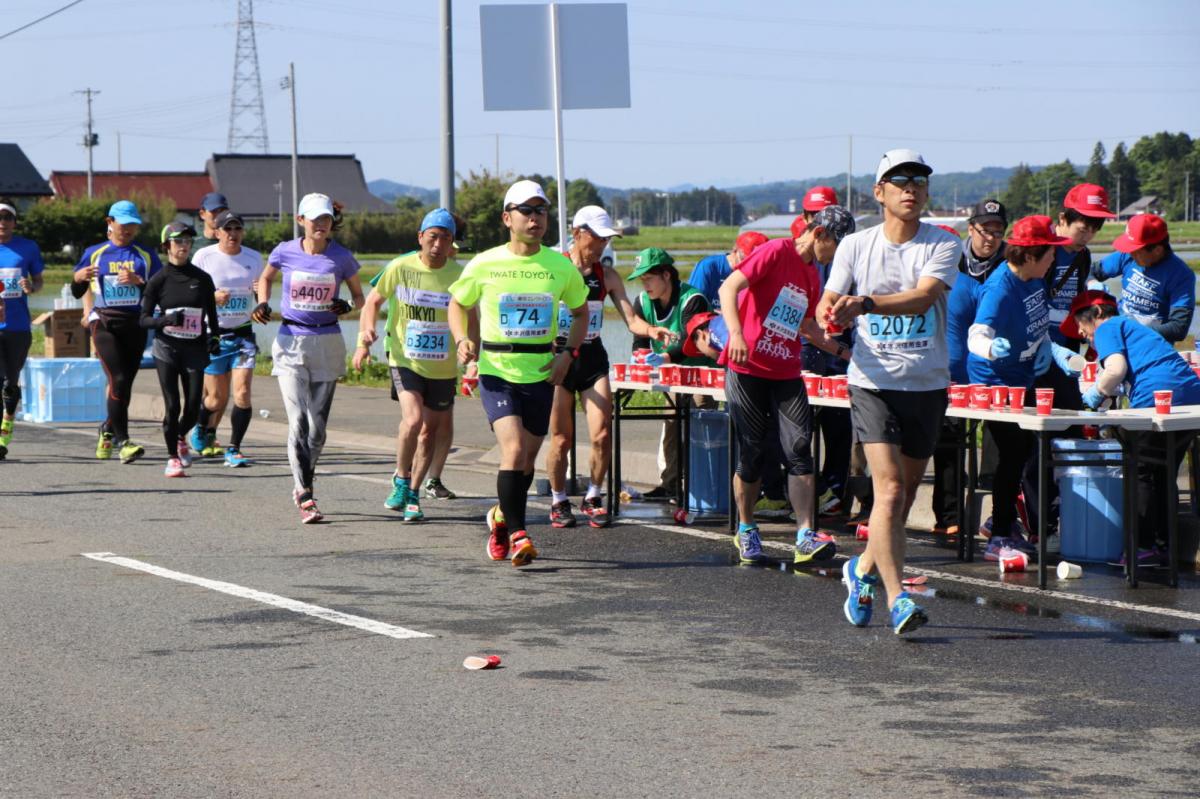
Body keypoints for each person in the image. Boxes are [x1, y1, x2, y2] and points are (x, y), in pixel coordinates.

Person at [818, 149, 961, 635]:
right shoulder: (855, 246)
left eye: (919, 180)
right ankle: (898, 598)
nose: (911, 188)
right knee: (891, 488)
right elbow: (829, 299)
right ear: (878, 193)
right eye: (899, 181)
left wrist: (865, 303)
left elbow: (924, 295)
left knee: (896, 505)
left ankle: (859, 571)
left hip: (925, 383)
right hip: (872, 382)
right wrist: (830, 312)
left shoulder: (943, 242)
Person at [448, 179, 589, 567]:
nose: (535, 218)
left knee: (525, 462)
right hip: (497, 370)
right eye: (526, 211)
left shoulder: (559, 266)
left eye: (540, 210)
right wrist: (463, 340)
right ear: (507, 218)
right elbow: (457, 304)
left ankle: (499, 517)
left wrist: (569, 354)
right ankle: (518, 533)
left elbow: (581, 313)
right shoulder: (486, 263)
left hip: (542, 373)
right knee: (511, 451)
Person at [719, 205, 855, 567]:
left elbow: (807, 327)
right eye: (838, 246)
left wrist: (846, 352)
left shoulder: (813, 274)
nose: (839, 255)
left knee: (799, 448)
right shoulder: (776, 251)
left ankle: (805, 536)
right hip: (747, 367)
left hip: (785, 372)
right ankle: (746, 528)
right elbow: (728, 287)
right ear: (820, 234)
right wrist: (735, 333)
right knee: (753, 452)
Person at [546, 205, 673, 529]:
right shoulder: (554, 268)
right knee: (561, 438)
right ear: (577, 233)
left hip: (591, 357)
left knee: (602, 433)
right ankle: (559, 499)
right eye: (598, 238)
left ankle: (593, 495)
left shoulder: (607, 275)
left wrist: (652, 330)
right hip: (559, 357)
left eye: (607, 239)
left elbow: (631, 320)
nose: (603, 245)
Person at [966, 216, 1076, 557]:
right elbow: (976, 335)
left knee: (1026, 449)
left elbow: (1037, 321)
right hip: (994, 382)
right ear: (1030, 254)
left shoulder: (1035, 279)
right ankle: (999, 533)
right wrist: (990, 348)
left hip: (1023, 376)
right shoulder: (1001, 288)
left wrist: (1046, 346)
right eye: (1049, 254)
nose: (1054, 260)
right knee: (1013, 451)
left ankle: (1004, 521)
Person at [1068, 290, 1200, 566]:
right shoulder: (1135, 327)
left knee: (1138, 468)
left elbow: (1115, 369)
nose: (1080, 331)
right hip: (1191, 396)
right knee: (1164, 470)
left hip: (1157, 397)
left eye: (1081, 321)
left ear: (1098, 314)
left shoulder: (1108, 327)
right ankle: (1165, 544)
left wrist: (1095, 394)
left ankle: (1141, 546)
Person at [354, 208, 467, 522]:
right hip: (405, 358)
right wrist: (365, 337)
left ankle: (415, 492)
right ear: (420, 238)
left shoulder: (459, 275)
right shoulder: (400, 267)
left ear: (452, 243)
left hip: (443, 366)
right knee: (414, 419)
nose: (437, 244)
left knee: (429, 432)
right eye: (432, 237)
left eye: (445, 238)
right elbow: (373, 302)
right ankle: (401, 479)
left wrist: (472, 351)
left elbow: (472, 314)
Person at [258, 193, 364, 523]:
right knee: (298, 422)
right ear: (300, 220)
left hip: (327, 342)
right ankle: (305, 493)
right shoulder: (284, 251)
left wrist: (348, 305)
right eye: (315, 219)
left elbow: (361, 297)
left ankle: (306, 473)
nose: (321, 224)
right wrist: (262, 303)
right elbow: (265, 278)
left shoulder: (342, 258)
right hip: (290, 342)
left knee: (318, 430)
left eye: (327, 219)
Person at [934, 199, 1009, 535]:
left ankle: (998, 516)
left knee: (1000, 444)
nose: (991, 238)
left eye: (998, 231)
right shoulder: (951, 260)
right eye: (985, 230)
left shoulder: (1009, 262)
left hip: (995, 370)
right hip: (951, 367)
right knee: (948, 443)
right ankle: (948, 517)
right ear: (971, 228)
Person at [71, 200, 163, 464]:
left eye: (133, 225)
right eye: (124, 224)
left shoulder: (145, 255)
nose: (128, 230)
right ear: (109, 223)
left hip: (135, 324)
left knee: (124, 385)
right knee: (119, 379)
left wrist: (139, 281)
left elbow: (159, 292)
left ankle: (107, 430)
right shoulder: (95, 252)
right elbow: (78, 287)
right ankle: (124, 442)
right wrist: (78, 278)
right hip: (105, 323)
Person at [140, 223, 221, 477]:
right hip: (167, 348)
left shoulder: (202, 279)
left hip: (195, 348)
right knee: (173, 406)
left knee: (194, 406)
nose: (183, 246)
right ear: (167, 247)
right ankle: (173, 457)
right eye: (178, 242)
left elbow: (212, 313)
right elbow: (142, 319)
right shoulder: (158, 280)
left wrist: (215, 337)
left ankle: (178, 436)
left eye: (187, 241)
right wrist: (164, 320)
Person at [190, 210, 264, 466]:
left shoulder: (254, 258)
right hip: (214, 336)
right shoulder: (204, 256)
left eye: (237, 229)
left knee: (242, 393)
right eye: (228, 229)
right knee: (215, 399)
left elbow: (261, 298)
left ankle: (234, 448)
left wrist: (259, 298)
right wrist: (212, 297)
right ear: (217, 232)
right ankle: (202, 426)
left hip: (243, 334)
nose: (233, 234)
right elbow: (190, 293)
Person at [1091, 214, 1194, 343]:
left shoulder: (1181, 275)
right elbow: (1091, 272)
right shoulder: (1127, 255)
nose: (1131, 254)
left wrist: (1132, 331)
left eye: (1135, 251)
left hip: (1152, 346)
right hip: (1118, 337)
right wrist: (1093, 284)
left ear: (1157, 250)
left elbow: (1179, 328)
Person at [0, 199, 44, 460]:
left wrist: (31, 287)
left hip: (18, 327)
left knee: (10, 382)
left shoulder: (27, 248)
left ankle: (6, 425)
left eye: (7, 218)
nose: (2, 223)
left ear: (15, 222)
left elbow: (38, 282)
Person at [687, 231, 767, 309]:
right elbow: (693, 306)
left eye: (758, 262)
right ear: (735, 250)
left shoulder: (762, 273)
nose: (751, 267)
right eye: (747, 260)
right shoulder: (708, 266)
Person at [189, 192, 228, 256]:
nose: (219, 215)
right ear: (202, 214)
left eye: (222, 211)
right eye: (214, 211)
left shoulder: (234, 243)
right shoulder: (192, 244)